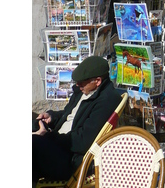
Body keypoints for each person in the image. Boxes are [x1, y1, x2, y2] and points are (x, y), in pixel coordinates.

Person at [32, 56, 122, 186]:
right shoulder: (84, 91)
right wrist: (52, 117)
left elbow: (82, 142)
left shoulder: (106, 101)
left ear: (97, 81)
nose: (77, 85)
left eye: (82, 82)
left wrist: (47, 136)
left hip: (70, 158)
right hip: (58, 141)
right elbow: (69, 114)